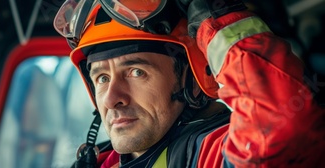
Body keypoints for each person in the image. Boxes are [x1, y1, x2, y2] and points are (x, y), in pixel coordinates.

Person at [53, 0, 325, 167]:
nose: (112, 98)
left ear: (194, 81)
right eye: (102, 78)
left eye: (136, 72)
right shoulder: (99, 161)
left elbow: (281, 131)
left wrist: (221, 23)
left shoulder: (211, 152)